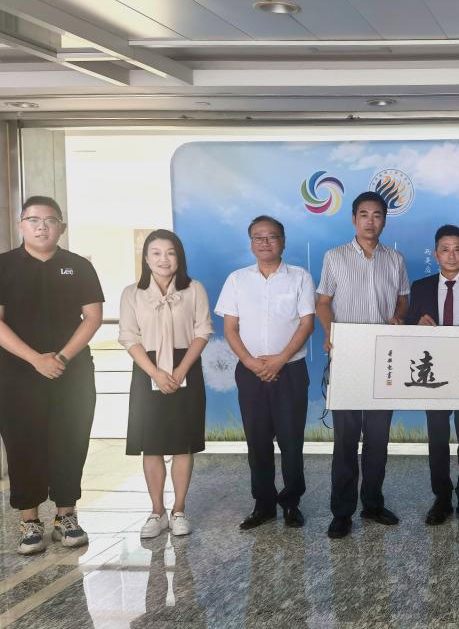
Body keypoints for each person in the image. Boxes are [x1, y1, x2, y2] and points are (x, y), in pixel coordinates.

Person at [0, 196, 103, 555]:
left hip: (71, 371)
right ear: (21, 225)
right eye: (33, 219)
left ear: (62, 226)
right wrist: (34, 359)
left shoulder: (79, 266)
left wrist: (59, 357)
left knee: (71, 439)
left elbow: (93, 317)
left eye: (49, 220)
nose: (41, 226)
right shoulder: (3, 265)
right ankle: (29, 521)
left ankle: (66, 516)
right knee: (22, 442)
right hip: (15, 373)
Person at [317, 192, 409, 538]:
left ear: (384, 220)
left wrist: (399, 316)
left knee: (377, 438)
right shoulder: (335, 257)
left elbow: (403, 299)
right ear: (354, 219)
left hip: (384, 360)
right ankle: (342, 512)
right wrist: (331, 333)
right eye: (364, 215)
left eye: (377, 215)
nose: (371, 221)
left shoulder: (395, 259)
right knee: (345, 439)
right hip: (347, 358)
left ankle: (372, 503)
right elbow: (322, 302)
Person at [216, 215, 315, 530]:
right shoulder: (237, 280)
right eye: (258, 237)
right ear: (251, 244)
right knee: (257, 442)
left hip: (290, 371)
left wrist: (279, 360)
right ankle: (263, 504)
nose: (265, 242)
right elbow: (230, 328)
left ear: (282, 241)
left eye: (271, 236)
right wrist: (249, 361)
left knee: (291, 441)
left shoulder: (300, 277)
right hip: (251, 372)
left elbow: (307, 324)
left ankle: (291, 503)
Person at [119, 229, 212, 539]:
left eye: (170, 253)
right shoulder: (131, 293)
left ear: (179, 257)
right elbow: (129, 337)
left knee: (183, 443)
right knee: (153, 444)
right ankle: (156, 512)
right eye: (156, 253)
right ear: (146, 258)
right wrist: (155, 373)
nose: (164, 259)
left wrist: (181, 370)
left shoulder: (194, 289)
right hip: (147, 367)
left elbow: (202, 331)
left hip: (186, 364)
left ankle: (179, 510)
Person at [405, 224, 459, 526]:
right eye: (445, 249)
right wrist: (415, 324)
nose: (451, 255)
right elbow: (408, 327)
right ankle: (441, 497)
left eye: (457, 250)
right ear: (436, 254)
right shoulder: (421, 287)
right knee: (438, 437)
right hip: (435, 371)